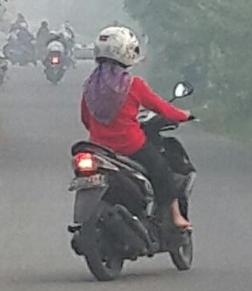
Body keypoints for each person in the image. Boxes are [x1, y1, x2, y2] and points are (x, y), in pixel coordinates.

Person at [80, 26, 193, 230]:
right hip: (131, 147)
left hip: (98, 148)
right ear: (126, 52)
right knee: (162, 171)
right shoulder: (134, 84)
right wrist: (184, 115)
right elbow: (163, 108)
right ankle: (176, 217)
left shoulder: (90, 86)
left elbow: (86, 119)